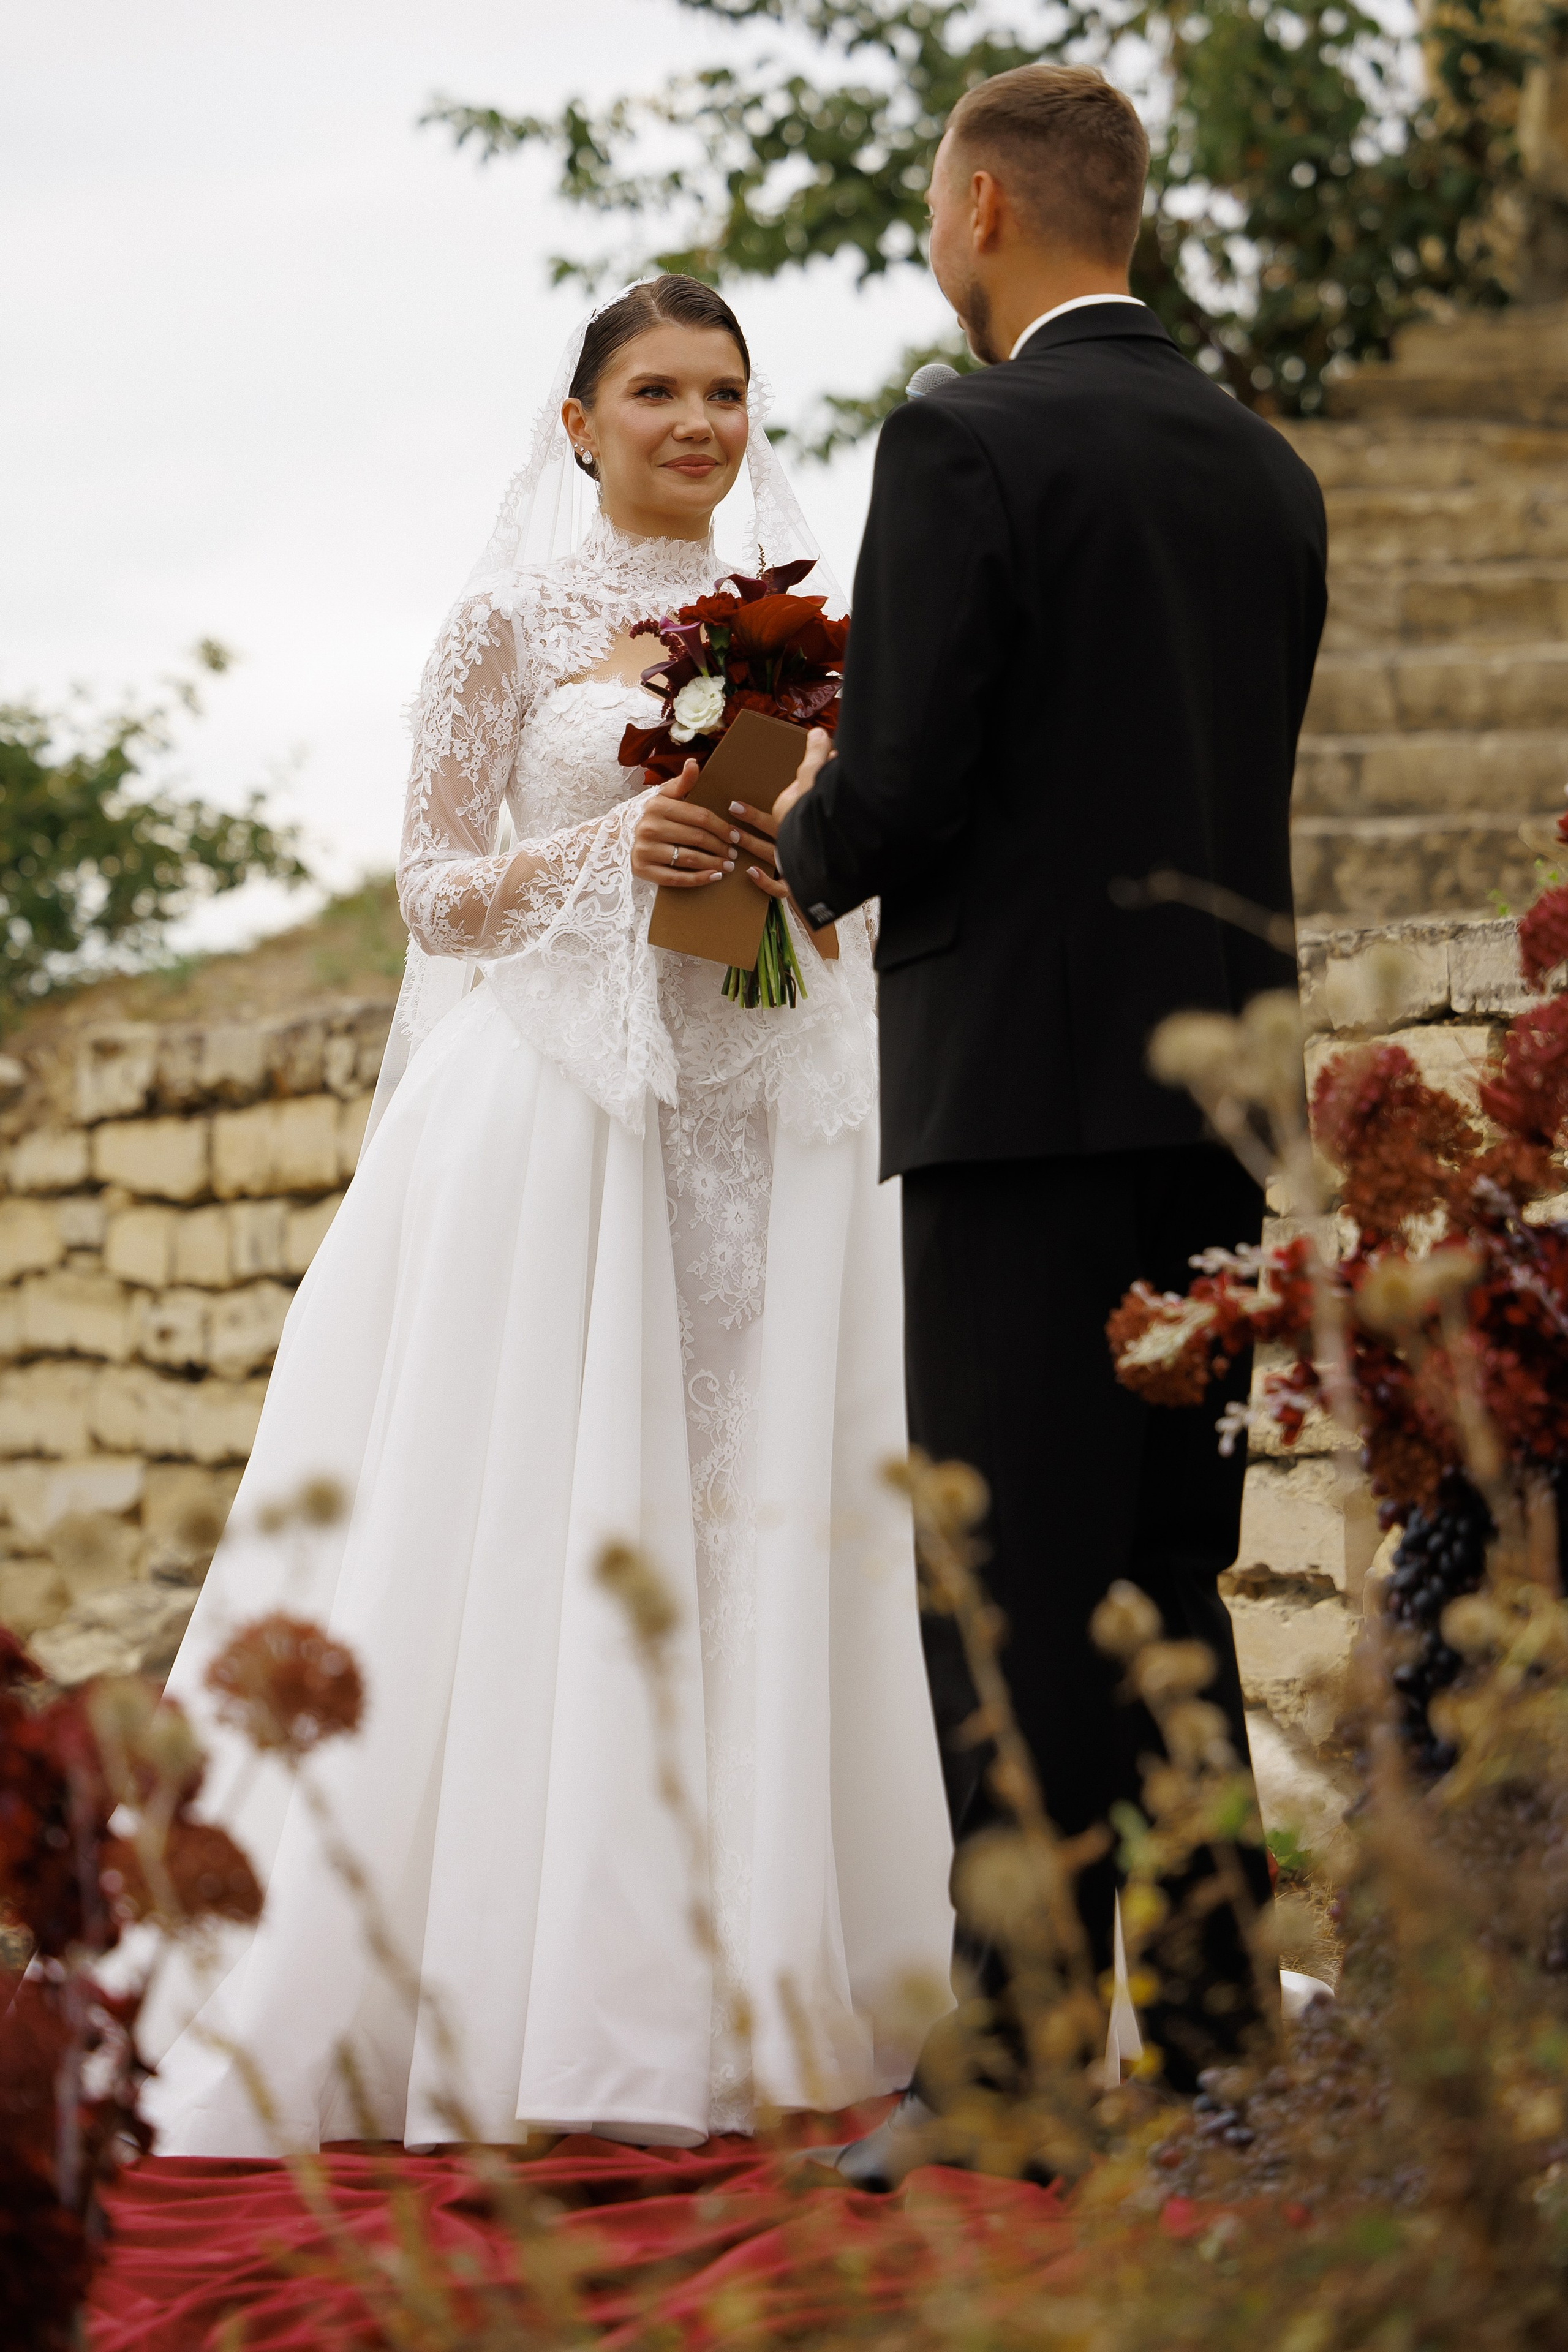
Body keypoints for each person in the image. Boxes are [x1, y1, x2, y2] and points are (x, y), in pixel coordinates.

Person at [138, 274, 954, 2157]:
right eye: (657, 390)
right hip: (573, 1116)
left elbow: (858, 863)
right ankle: (542, 1996)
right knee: (562, 1509)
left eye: (728, 392)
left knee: (774, 1511)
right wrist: (621, 841)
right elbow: (434, 891)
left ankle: (794, 1959)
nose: (698, 422)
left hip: (777, 1101)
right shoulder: (503, 623)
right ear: (575, 422)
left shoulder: (815, 637)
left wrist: (797, 845)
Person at [775, 64, 1328, 2183]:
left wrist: (788, 862)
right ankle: (1214, 2043)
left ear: (984, 204)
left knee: (1004, 1598)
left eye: (936, 207)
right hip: (1217, 1114)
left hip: (1014, 1108)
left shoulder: (961, 432)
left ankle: (1010, 2072)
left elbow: (910, 778)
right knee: (1175, 1573)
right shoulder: (1264, 472)